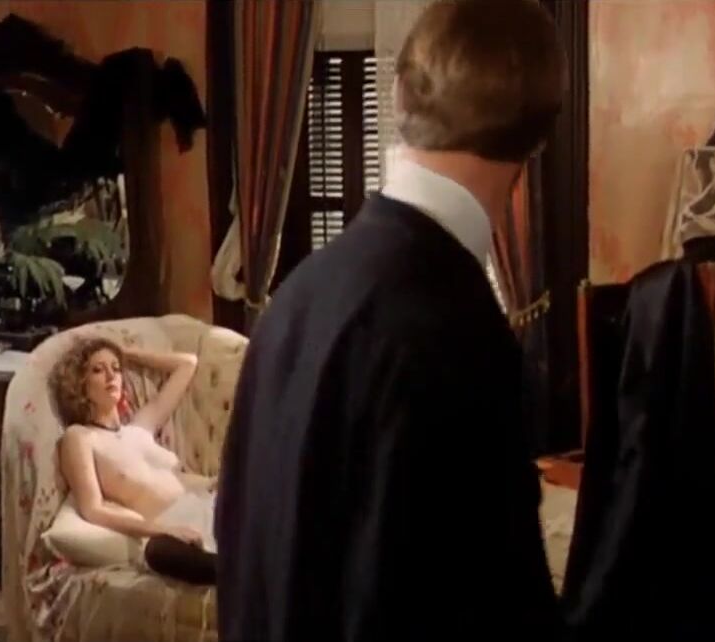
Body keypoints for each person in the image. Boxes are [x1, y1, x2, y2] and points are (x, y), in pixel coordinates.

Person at [215, 0, 567, 639]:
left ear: (400, 93)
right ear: (539, 136)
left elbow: (247, 559)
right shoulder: (460, 332)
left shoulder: (296, 296)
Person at [52, 336, 216, 585]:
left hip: (206, 504)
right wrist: (164, 530)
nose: (111, 376)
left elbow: (187, 364)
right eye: (98, 370)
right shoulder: (80, 437)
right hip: (175, 526)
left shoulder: (140, 427)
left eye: (116, 369)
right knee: (157, 552)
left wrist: (126, 353)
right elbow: (93, 510)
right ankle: (235, 570)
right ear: (80, 384)